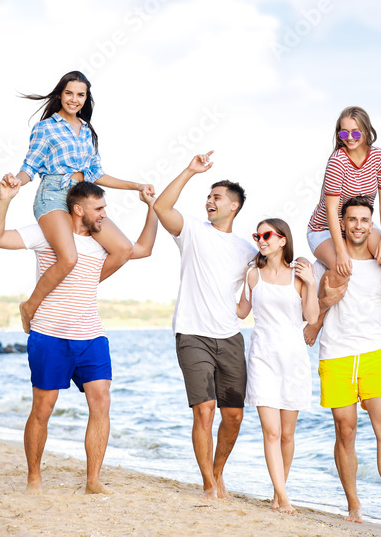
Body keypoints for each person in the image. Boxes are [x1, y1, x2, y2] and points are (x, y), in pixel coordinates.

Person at [0, 177, 159, 495]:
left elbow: (144, 249)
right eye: (99, 208)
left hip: (91, 335)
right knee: (43, 408)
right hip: (49, 335)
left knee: (101, 402)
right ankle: (34, 479)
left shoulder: (104, 243)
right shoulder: (49, 234)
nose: (105, 214)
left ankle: (93, 480)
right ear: (78, 209)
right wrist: (5, 200)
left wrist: (151, 207)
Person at [1, 71, 154, 334]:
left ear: (86, 98)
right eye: (69, 93)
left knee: (123, 249)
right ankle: (30, 307)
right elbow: (30, 166)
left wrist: (136, 185)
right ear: (60, 94)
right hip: (53, 196)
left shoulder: (87, 131)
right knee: (69, 257)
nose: (74, 99)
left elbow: (97, 173)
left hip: (82, 197)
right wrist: (16, 180)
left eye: (80, 94)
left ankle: (76, 289)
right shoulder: (46, 127)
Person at [304, 195, 381, 526]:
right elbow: (310, 313)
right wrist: (324, 305)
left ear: (372, 225)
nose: (357, 226)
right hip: (336, 355)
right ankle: (354, 505)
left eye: (364, 221)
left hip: (374, 354)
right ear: (342, 224)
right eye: (351, 220)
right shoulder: (323, 265)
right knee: (345, 430)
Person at [153, 151, 257, 499]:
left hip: (230, 337)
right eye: (209, 197)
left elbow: (276, 268)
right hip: (192, 333)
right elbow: (162, 208)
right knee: (204, 410)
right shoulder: (193, 231)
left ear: (234, 206)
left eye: (217, 197)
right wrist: (189, 171)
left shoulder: (246, 249)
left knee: (234, 417)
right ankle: (209, 485)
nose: (210, 202)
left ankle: (218, 471)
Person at [306, 106, 381, 354]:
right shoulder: (337, 161)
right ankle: (318, 321)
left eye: (355, 132)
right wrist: (341, 252)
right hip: (324, 228)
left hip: (360, 224)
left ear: (366, 130)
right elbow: (332, 211)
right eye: (344, 134)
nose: (350, 138)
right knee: (342, 270)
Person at [236, 218, 318, 514]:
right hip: (262, 359)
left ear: (283, 239)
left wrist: (310, 283)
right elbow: (241, 311)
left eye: (266, 235)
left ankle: (277, 490)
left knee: (286, 435)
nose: (261, 239)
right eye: (257, 235)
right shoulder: (252, 275)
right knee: (270, 432)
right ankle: (284, 498)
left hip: (293, 360)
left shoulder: (299, 274)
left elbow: (311, 315)